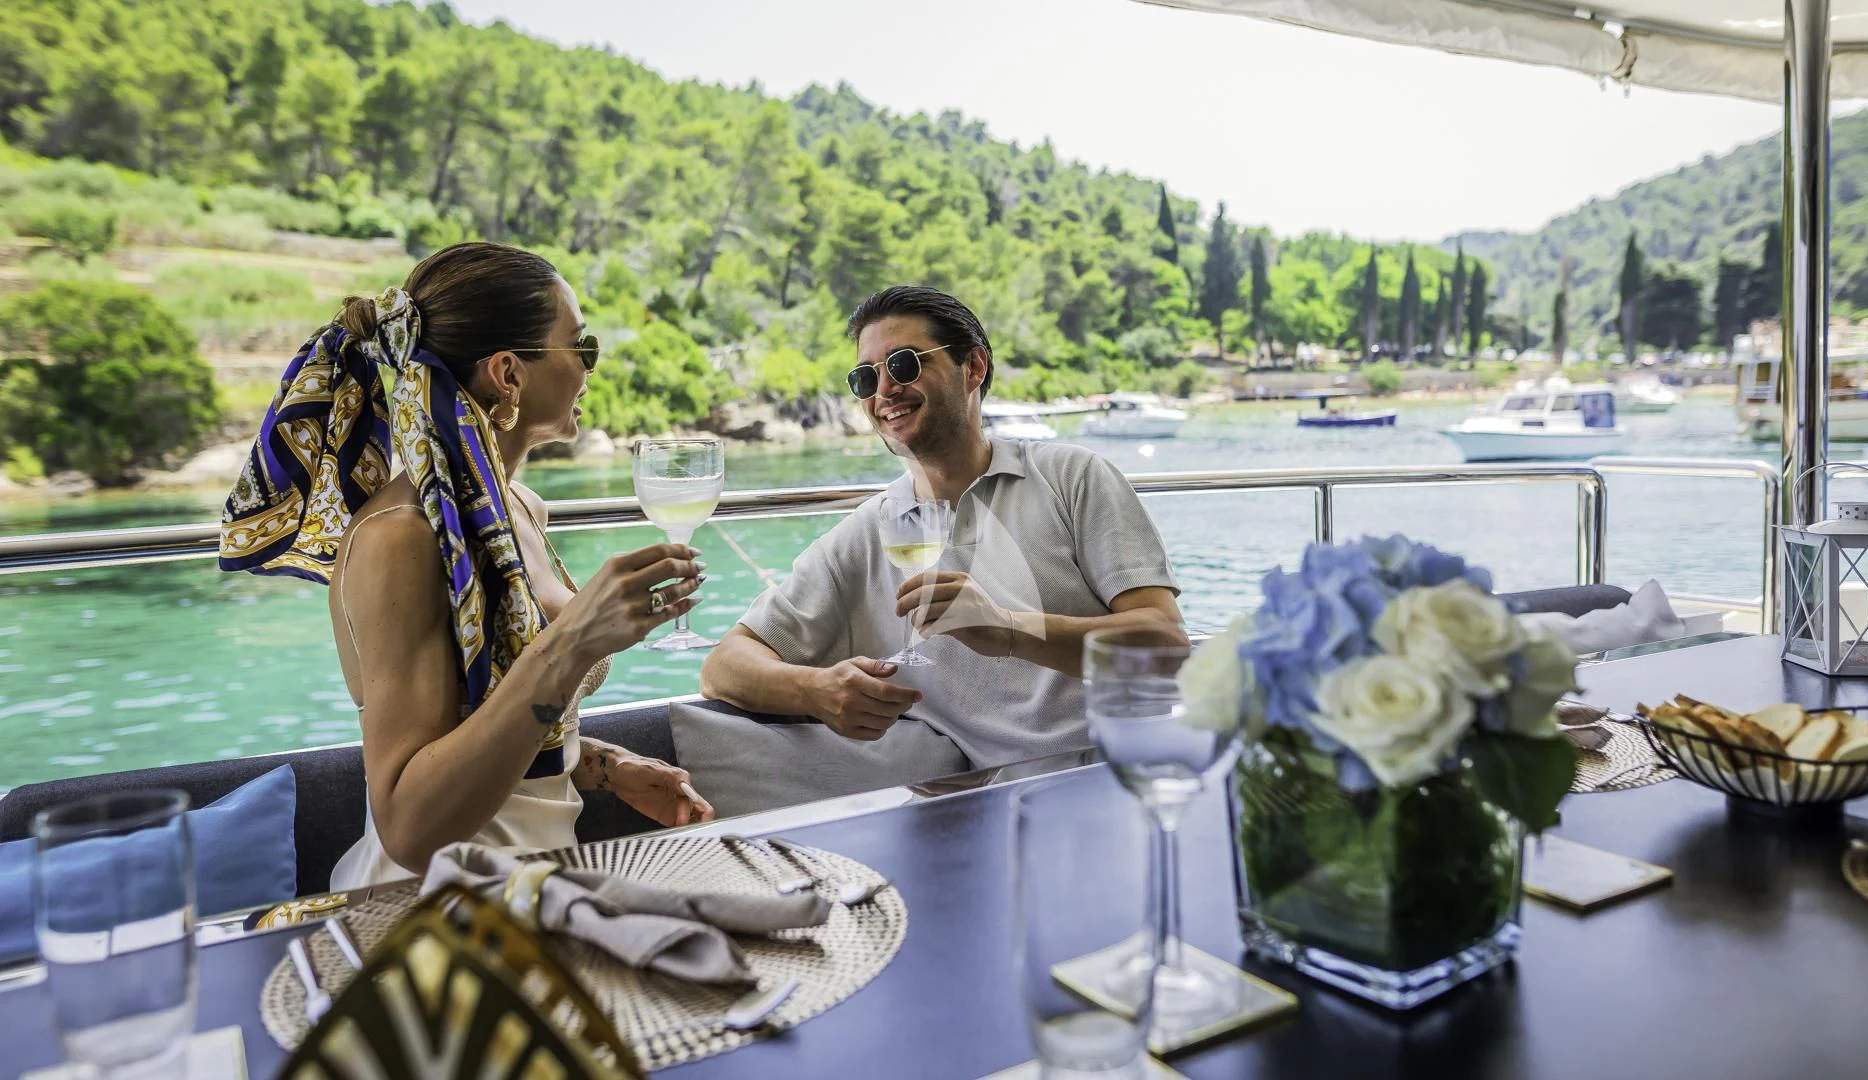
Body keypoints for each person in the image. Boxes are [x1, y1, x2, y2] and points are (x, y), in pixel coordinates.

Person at [220, 241, 713, 889]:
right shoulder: (400, 539)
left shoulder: (523, 510)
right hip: (430, 911)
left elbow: (488, 724)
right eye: (581, 348)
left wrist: (599, 765)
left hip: (538, 887)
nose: (591, 370)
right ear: (508, 373)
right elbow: (409, 826)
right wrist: (570, 643)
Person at [699, 285, 1183, 773]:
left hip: (1114, 774)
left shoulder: (1071, 478)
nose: (884, 391)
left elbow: (1166, 645)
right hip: (974, 805)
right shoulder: (866, 535)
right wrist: (816, 690)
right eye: (866, 378)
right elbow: (724, 668)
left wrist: (1009, 630)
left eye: (905, 364)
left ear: (973, 367)